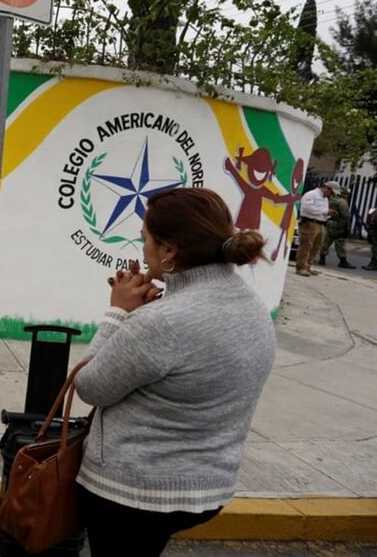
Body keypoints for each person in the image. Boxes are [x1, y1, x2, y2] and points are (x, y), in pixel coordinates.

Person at [74, 188, 275, 557]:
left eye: (145, 240)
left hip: (134, 493)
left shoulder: (161, 322)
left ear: (169, 251)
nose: (142, 250)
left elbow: (89, 386)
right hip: (206, 487)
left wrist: (118, 314)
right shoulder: (254, 308)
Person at [294, 180, 339, 277]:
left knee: (316, 247)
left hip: (320, 223)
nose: (331, 195)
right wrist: (325, 211)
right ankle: (301, 267)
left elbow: (322, 212)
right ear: (326, 188)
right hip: (309, 223)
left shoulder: (325, 199)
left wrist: (328, 214)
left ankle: (308, 266)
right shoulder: (311, 195)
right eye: (331, 192)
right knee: (306, 245)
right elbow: (307, 208)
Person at [319, 188, 355, 268]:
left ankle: (322, 258)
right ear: (343, 193)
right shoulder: (342, 202)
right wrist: (348, 227)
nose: (347, 196)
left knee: (326, 241)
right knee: (340, 242)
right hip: (339, 225)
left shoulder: (331, 200)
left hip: (330, 223)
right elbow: (346, 216)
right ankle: (343, 261)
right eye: (346, 194)